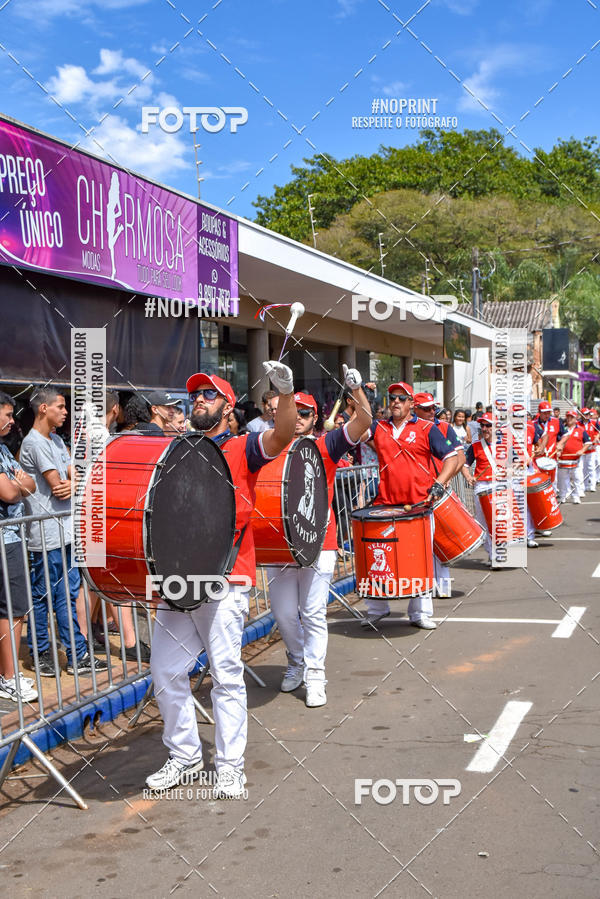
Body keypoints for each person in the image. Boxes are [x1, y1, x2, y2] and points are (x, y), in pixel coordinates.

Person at [147, 361, 297, 799]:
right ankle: (185, 755)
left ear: (228, 407)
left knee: (225, 675)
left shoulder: (243, 447)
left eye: (209, 395)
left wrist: (284, 394)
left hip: (226, 578)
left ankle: (230, 766)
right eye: (195, 395)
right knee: (165, 671)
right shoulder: (176, 448)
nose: (199, 400)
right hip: (178, 578)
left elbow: (284, 434)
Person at [266, 366, 372, 708]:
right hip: (279, 544)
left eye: (305, 413)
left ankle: (315, 674)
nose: (297, 418)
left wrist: (356, 389)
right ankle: (296, 659)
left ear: (315, 418)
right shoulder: (267, 446)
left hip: (319, 542)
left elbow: (363, 422)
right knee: (283, 614)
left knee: (311, 612)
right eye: (292, 411)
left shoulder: (327, 445)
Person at [19, 389, 107, 677]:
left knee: (67, 595)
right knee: (44, 597)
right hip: (45, 535)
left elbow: (75, 474)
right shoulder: (34, 442)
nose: (65, 412)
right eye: (61, 406)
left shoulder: (56, 439)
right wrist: (73, 482)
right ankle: (41, 652)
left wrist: (74, 482)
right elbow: (59, 486)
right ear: (44, 409)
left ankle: (77, 654)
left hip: (65, 533)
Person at [360, 382, 458, 628]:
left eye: (401, 398)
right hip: (385, 504)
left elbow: (452, 457)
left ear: (411, 403)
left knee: (420, 558)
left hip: (419, 505)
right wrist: (362, 397)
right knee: (378, 557)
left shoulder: (427, 428)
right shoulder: (379, 427)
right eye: (392, 397)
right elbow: (358, 430)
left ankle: (420, 613)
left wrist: (439, 483)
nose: (395, 402)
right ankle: (377, 608)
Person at [0, 392, 38, 702]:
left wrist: (20, 484)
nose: (13, 421)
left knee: (13, 608)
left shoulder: (2, 448)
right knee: (13, 609)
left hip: (12, 540)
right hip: (6, 541)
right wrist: (19, 484)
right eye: (8, 414)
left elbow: (28, 484)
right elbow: (10, 492)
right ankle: (9, 677)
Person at [413, 393, 465, 597]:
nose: (432, 412)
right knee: (421, 544)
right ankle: (422, 588)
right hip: (417, 493)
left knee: (439, 540)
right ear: (414, 408)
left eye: (433, 408)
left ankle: (442, 587)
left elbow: (459, 457)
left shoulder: (443, 427)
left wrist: (445, 478)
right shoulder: (410, 428)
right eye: (426, 409)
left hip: (437, 491)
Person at [555, 409, 590, 504]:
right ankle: (563, 495)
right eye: (568, 417)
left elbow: (587, 442)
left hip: (576, 459)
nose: (569, 419)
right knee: (562, 480)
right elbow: (557, 441)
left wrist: (582, 450)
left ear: (576, 418)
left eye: (572, 417)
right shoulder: (562, 429)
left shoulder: (581, 430)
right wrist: (557, 450)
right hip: (563, 459)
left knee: (577, 478)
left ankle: (576, 496)